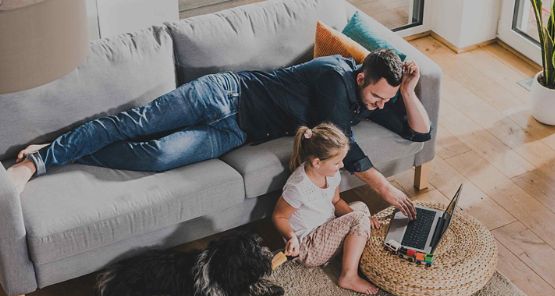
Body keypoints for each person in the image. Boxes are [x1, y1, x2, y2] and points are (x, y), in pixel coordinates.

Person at [7, 49, 430, 220]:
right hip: (223, 95)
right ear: (361, 77)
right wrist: (386, 189)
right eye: (375, 97)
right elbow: (346, 143)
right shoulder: (334, 78)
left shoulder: (379, 91)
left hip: (238, 131)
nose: (377, 106)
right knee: (133, 124)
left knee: (156, 157)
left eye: (383, 101)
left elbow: (418, 134)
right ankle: (36, 162)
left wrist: (406, 92)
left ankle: (64, 150)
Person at [272, 123, 381, 295]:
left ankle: (355, 251)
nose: (342, 165)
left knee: (361, 207)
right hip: (308, 247)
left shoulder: (331, 174)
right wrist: (291, 237)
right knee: (359, 218)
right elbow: (279, 217)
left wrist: (361, 217)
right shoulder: (298, 186)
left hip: (326, 228)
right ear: (317, 162)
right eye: (337, 162)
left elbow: (336, 201)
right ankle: (348, 276)